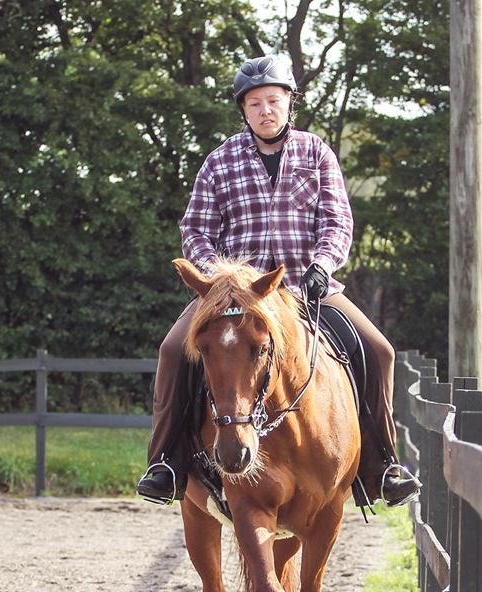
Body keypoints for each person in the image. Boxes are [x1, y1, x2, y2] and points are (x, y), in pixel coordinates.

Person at [136, 55, 419, 509]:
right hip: (234, 297)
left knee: (379, 350)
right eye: (254, 104)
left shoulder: (316, 153)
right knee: (173, 351)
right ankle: (166, 464)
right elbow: (196, 230)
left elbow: (338, 222)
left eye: (273, 100)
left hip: (307, 289)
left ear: (289, 103)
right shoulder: (219, 161)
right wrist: (220, 280)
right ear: (243, 111)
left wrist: (323, 265)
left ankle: (381, 465)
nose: (265, 110)